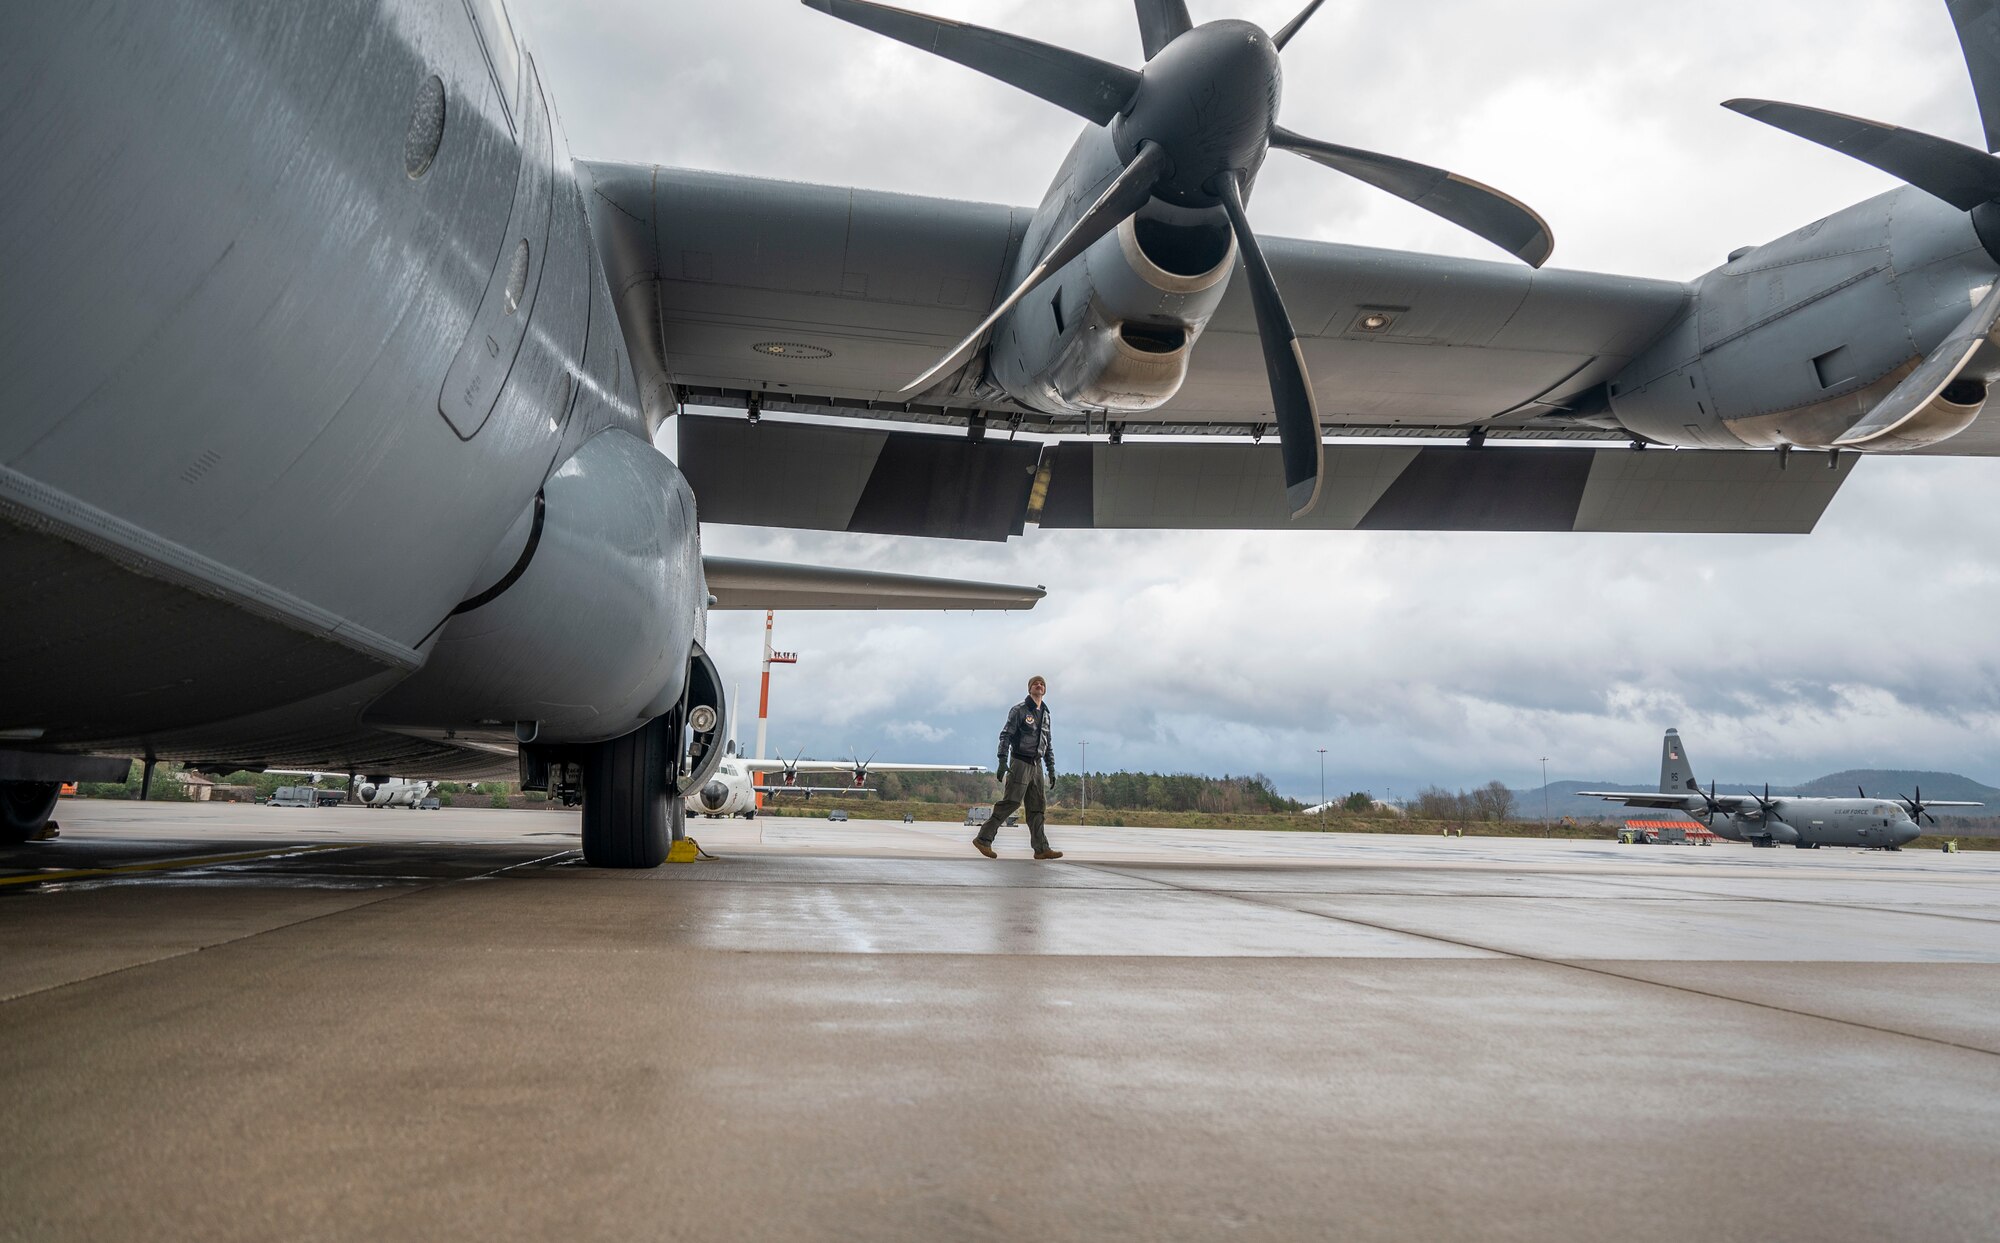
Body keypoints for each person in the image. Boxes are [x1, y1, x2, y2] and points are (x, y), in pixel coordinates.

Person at [972, 675, 1062, 860]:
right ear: (1029, 689)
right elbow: (1005, 735)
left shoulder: (1046, 714)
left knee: (1037, 807)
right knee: (1011, 802)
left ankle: (1041, 848)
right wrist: (1002, 760)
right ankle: (983, 839)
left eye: (1042, 683)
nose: (1039, 685)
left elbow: (1048, 742)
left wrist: (1051, 768)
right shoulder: (1019, 710)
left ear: (1045, 690)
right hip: (1020, 762)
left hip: (1036, 765)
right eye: (1035, 683)